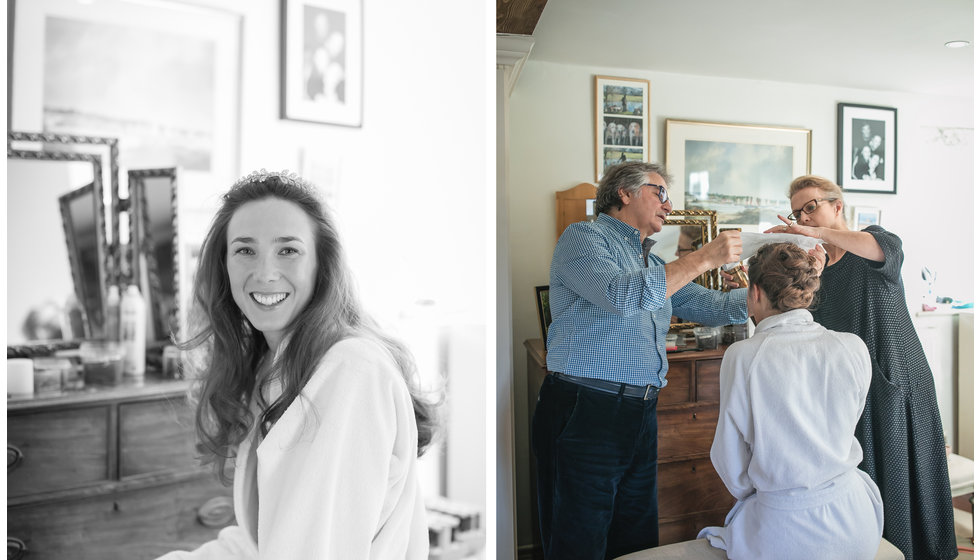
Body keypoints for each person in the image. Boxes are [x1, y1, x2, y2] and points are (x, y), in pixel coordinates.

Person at [156, 170, 436, 559]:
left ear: (322, 264)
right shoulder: (274, 365)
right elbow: (260, 541)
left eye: (288, 250)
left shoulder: (349, 372)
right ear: (225, 266)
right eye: (245, 250)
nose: (266, 273)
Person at [532, 161, 748, 559]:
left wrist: (763, 293)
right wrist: (703, 258)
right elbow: (623, 296)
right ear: (624, 193)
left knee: (636, 534)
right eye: (660, 192)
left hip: (640, 410)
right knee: (579, 536)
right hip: (586, 408)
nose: (669, 204)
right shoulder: (583, 238)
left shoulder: (654, 264)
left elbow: (711, 305)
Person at [767, 174, 957, 560]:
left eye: (811, 207)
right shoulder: (817, 268)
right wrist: (812, 268)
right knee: (866, 476)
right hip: (850, 389)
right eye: (797, 212)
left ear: (836, 207)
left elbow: (881, 249)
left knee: (905, 473)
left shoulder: (874, 242)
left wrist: (817, 232)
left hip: (896, 378)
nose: (803, 217)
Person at [697, 242, 884, 559]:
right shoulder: (853, 347)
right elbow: (844, 424)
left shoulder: (743, 356)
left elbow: (730, 459)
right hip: (858, 521)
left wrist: (761, 490)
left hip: (788, 529)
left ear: (754, 292)